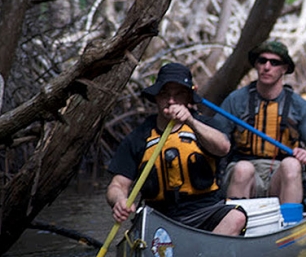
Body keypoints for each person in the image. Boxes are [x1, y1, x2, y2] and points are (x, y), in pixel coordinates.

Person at [106, 63, 247, 236]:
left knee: (237, 217)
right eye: (165, 94)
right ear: (156, 97)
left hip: (204, 211)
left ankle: (205, 255)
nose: (171, 101)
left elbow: (223, 148)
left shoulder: (205, 126)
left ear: (188, 98)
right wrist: (119, 200)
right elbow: (117, 184)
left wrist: (191, 122)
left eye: (178, 94)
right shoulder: (138, 137)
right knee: (139, 227)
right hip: (158, 215)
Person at [216, 41, 306, 205]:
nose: (267, 67)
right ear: (256, 65)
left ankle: (289, 222)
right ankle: (235, 222)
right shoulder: (235, 100)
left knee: (291, 165)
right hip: (245, 174)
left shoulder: (299, 106)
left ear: (284, 69)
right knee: (243, 169)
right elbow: (215, 139)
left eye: (274, 63)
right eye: (262, 61)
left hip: (280, 177)